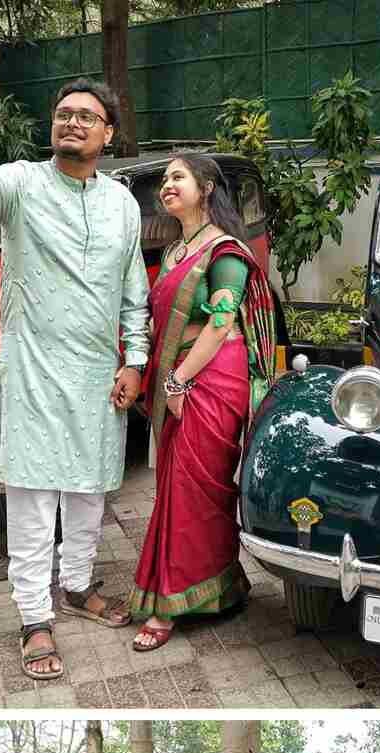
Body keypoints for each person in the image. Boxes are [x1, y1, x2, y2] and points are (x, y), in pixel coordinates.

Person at [0, 63, 150, 681]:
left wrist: (134, 360)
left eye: (86, 116)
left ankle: (77, 588)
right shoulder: (22, 185)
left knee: (87, 493)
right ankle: (34, 617)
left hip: (95, 376)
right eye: (63, 115)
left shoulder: (121, 206)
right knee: (32, 503)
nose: (72, 123)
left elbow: (134, 289)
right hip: (30, 371)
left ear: (108, 134)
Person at [127, 153, 276, 650]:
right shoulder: (173, 252)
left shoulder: (224, 251)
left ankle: (171, 606)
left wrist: (177, 382)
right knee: (177, 487)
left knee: (198, 489)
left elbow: (220, 322)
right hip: (180, 373)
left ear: (207, 187)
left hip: (211, 376)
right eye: (165, 180)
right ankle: (218, 589)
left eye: (177, 177)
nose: (167, 186)